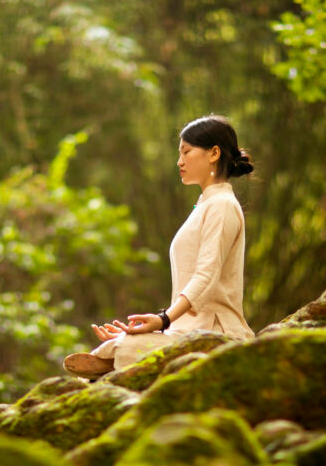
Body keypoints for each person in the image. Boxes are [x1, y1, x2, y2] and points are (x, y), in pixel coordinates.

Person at [63, 115, 256, 379]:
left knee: (122, 348)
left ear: (213, 153)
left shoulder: (222, 205)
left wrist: (163, 320)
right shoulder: (206, 205)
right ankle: (118, 354)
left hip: (216, 334)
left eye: (186, 151)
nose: (180, 161)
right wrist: (160, 326)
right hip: (188, 331)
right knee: (119, 343)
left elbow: (206, 276)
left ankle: (115, 360)